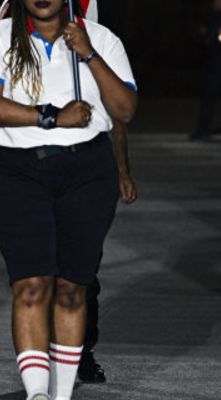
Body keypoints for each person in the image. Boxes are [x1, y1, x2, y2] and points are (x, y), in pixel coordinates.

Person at [0, 0, 137, 400]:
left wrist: (88, 56)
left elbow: (124, 108)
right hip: (17, 172)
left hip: (87, 172)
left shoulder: (100, 38)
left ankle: (62, 394)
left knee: (71, 287)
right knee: (30, 283)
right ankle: (37, 394)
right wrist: (50, 117)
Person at [78, 120, 138, 384]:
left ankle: (82, 350)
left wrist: (123, 171)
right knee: (40, 274)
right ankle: (42, 354)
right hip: (34, 171)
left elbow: (118, 117)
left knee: (82, 273)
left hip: (88, 174)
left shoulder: (98, 75)